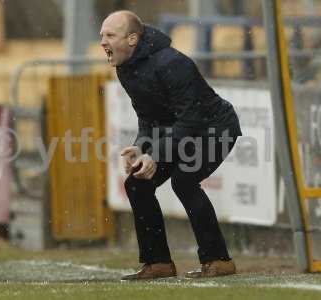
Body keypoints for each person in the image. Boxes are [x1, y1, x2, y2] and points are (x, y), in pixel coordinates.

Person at [100, 11, 242, 280]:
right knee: (137, 184)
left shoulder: (172, 63)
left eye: (110, 35)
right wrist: (141, 148)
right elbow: (148, 117)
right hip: (182, 130)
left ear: (132, 39)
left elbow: (191, 119)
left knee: (185, 180)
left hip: (214, 129)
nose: (103, 41)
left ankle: (219, 260)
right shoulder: (125, 68)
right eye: (101, 36)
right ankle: (158, 264)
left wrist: (157, 153)